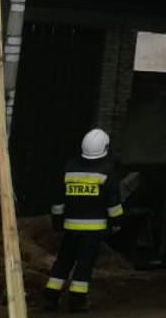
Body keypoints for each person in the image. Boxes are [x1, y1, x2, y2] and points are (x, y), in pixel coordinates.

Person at [42, 128, 123, 312]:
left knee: (63, 260)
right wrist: (116, 223)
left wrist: (57, 221)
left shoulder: (70, 168)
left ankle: (51, 296)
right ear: (105, 147)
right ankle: (77, 301)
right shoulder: (107, 171)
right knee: (84, 264)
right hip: (94, 229)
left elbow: (58, 199)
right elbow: (113, 203)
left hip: (70, 226)